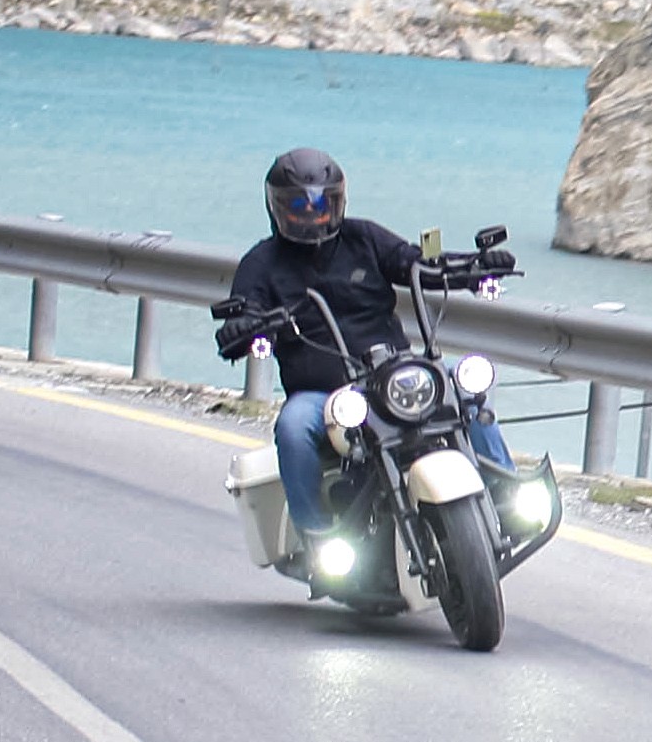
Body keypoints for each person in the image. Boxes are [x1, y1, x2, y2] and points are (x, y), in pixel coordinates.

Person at [214, 146, 515, 583]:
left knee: (464, 391)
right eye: (299, 203)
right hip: (323, 396)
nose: (312, 212)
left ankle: (506, 493)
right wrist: (241, 330)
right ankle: (318, 540)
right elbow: (243, 313)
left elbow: (416, 263)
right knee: (293, 428)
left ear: (338, 200)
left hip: (391, 375)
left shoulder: (364, 239)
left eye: (322, 202)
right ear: (277, 206)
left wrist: (474, 269)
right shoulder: (261, 264)